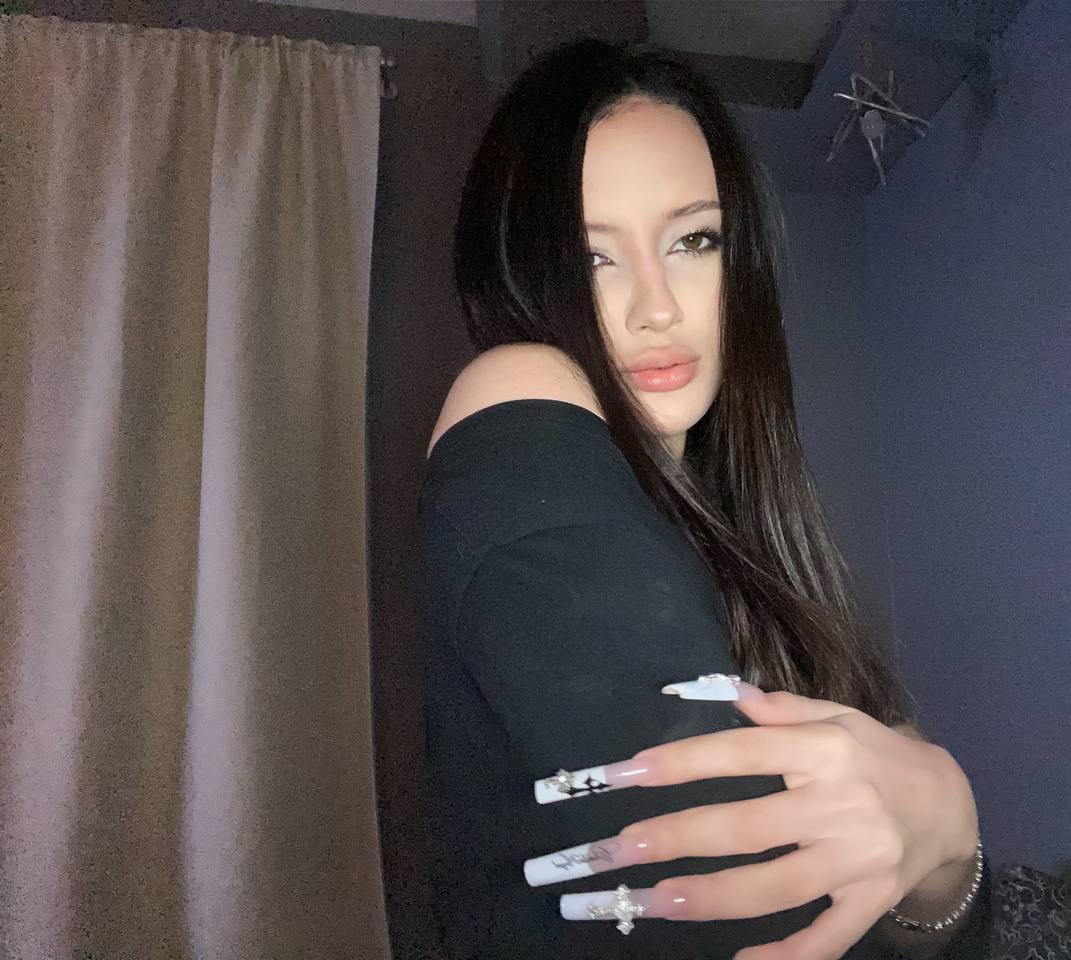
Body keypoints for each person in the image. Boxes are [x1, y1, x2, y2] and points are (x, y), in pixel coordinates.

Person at [413, 37, 993, 960]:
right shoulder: (515, 388)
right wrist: (940, 817)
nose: (657, 306)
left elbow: (939, 929)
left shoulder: (750, 545)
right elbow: (767, 913)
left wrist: (944, 829)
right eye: (592, 258)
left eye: (693, 240)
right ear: (521, 272)